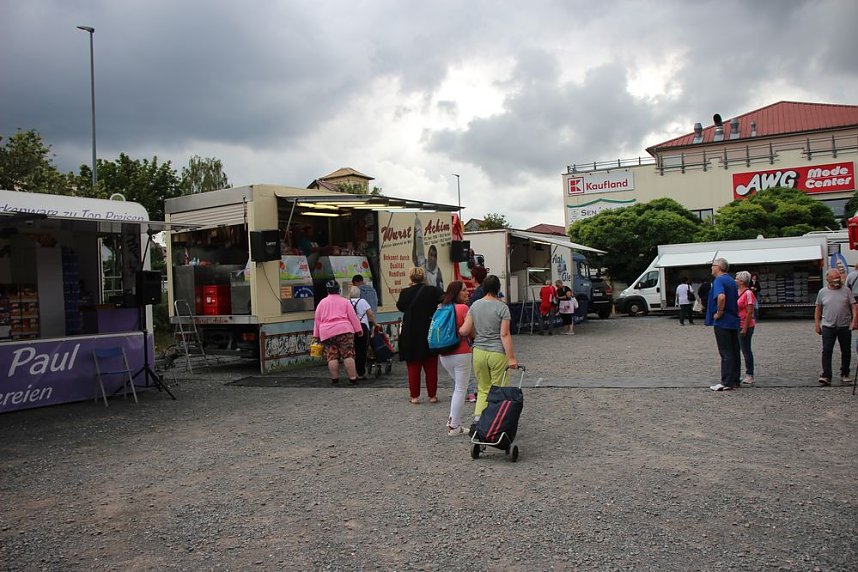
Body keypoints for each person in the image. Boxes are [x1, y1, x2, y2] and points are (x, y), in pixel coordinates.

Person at [459, 274, 518, 423]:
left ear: (483, 288)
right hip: (497, 353)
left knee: (483, 388)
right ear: (498, 289)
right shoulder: (502, 307)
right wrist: (511, 358)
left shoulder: (475, 305)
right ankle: (496, 421)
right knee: (499, 389)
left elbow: (465, 330)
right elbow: (504, 334)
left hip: (478, 351)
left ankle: (479, 420)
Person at [396, 266, 444, 404]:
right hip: (429, 330)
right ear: (424, 277)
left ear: (411, 278)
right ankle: (432, 395)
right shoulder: (432, 290)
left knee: (413, 366)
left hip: (410, 332)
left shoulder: (405, 292)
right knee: (431, 366)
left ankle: (415, 396)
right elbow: (443, 298)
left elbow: (400, 307)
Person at [438, 281, 473, 436]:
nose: (467, 293)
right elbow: (470, 332)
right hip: (461, 352)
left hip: (444, 353)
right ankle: (454, 426)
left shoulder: (441, 308)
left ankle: (452, 419)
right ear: (457, 293)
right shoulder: (463, 308)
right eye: (464, 290)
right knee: (461, 389)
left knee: (457, 387)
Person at [313, 280, 363, 385]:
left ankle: (335, 379)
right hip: (344, 330)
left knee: (332, 356)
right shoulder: (345, 302)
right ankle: (352, 378)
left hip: (327, 333)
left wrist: (316, 335)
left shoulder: (322, 303)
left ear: (328, 291)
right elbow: (353, 317)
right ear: (338, 290)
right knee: (348, 355)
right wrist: (358, 330)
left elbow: (317, 320)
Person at [814, 268, 858, 386]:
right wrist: (817, 324)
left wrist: (854, 321)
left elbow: (854, 306)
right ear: (828, 279)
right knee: (827, 350)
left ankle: (845, 373)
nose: (837, 280)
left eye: (838, 278)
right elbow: (818, 308)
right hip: (828, 326)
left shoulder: (846, 291)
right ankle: (826, 375)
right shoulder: (822, 292)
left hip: (844, 325)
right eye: (834, 278)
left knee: (846, 351)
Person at [706, 258, 741, 392]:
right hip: (733, 320)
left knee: (725, 352)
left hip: (723, 321)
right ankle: (735, 380)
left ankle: (726, 382)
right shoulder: (732, 281)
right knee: (734, 351)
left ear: (719, 267)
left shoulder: (719, 280)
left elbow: (721, 297)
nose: (711, 268)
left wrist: (719, 313)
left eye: (713, 265)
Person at [348, 285, 376, 380]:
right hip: (363, 327)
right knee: (362, 350)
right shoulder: (363, 301)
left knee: (351, 350)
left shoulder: (347, 302)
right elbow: (370, 314)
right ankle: (361, 372)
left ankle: (352, 372)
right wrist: (375, 323)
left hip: (350, 328)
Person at [735, 271, 757, 386]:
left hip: (746, 325)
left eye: (737, 279)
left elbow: (749, 311)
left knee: (746, 349)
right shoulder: (737, 292)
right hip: (737, 324)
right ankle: (736, 373)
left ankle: (750, 374)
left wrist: (745, 327)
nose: (735, 280)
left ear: (742, 281)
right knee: (736, 349)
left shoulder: (748, 293)